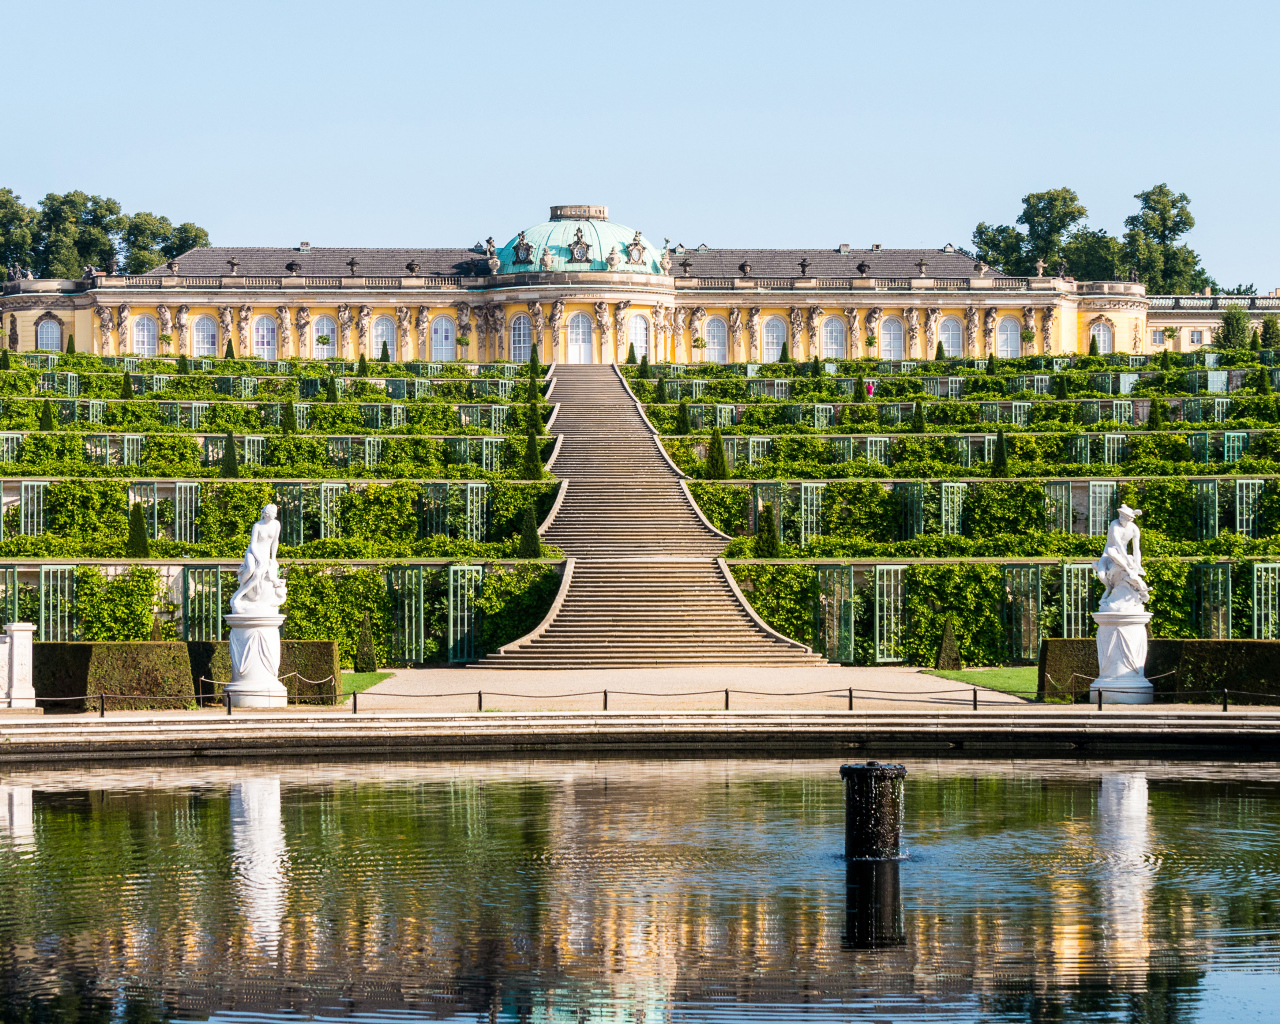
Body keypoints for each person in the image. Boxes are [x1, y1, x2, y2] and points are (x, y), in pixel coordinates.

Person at [230, 504, 286, 613]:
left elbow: (275, 542)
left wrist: (273, 558)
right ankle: (242, 586)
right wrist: (259, 559)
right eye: (273, 512)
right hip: (253, 552)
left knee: (258, 573)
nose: (275, 515)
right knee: (251, 569)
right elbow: (253, 545)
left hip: (265, 554)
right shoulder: (257, 526)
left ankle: (240, 594)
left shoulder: (276, 524)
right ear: (267, 513)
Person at [1094, 504, 1149, 609]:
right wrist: (1126, 558)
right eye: (1120, 516)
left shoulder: (1134, 529)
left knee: (1128, 562)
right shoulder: (1114, 524)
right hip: (1108, 554)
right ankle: (1109, 588)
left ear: (1130, 519)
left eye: (1123, 517)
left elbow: (1136, 550)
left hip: (1122, 555)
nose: (1120, 519)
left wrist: (1137, 565)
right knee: (1101, 575)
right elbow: (1117, 543)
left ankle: (1131, 575)